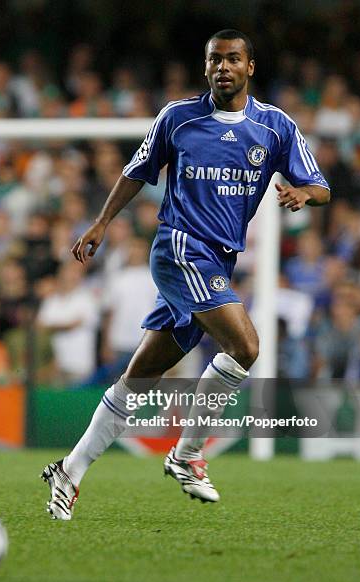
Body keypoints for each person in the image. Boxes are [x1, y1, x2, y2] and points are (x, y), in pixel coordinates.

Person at [41, 29, 330, 520]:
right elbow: (137, 170)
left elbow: (321, 185)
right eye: (215, 59)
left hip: (218, 260)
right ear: (206, 67)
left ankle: (70, 469)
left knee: (141, 378)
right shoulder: (177, 118)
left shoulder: (275, 127)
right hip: (179, 248)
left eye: (233, 59)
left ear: (249, 68)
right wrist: (102, 221)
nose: (223, 67)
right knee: (246, 346)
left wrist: (303, 194)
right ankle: (188, 453)